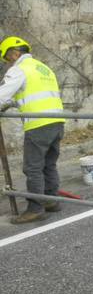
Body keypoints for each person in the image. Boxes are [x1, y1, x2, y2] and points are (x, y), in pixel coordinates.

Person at [0, 36, 66, 224]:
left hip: (38, 125)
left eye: (7, 58)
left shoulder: (18, 70)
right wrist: (9, 104)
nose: (8, 63)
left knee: (33, 168)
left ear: (14, 53)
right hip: (57, 122)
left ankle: (35, 209)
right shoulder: (44, 68)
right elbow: (29, 94)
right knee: (48, 165)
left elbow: (2, 95)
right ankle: (51, 201)